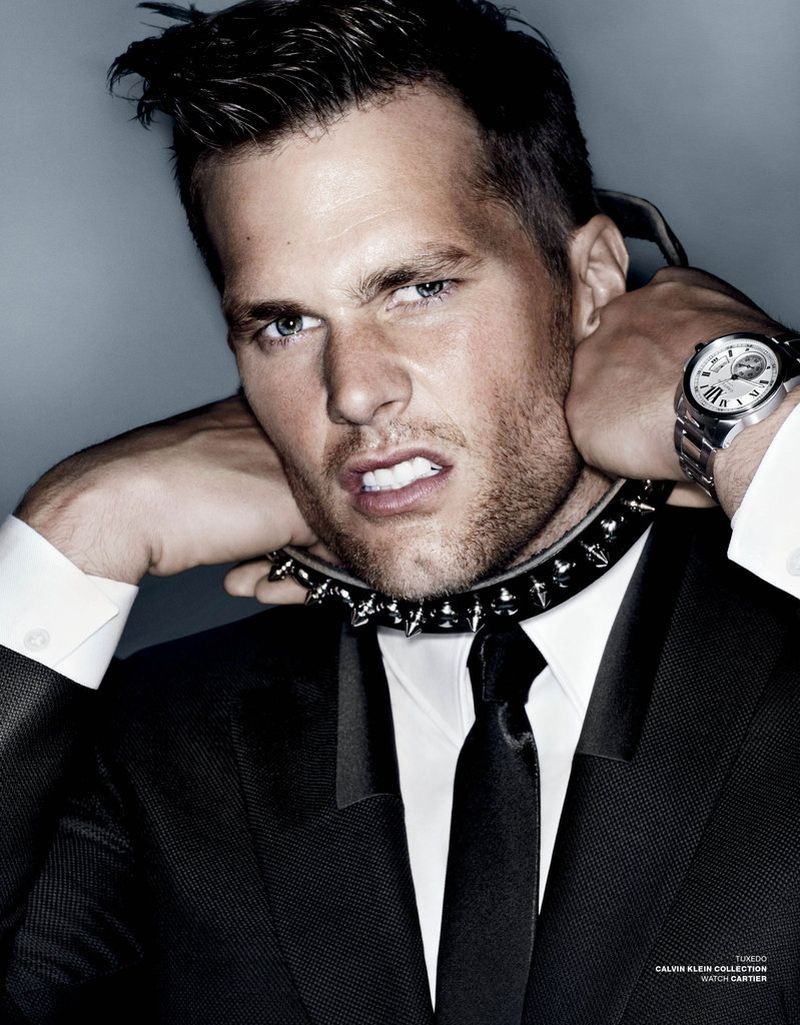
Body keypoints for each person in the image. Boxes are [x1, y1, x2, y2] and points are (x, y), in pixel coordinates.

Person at [1, 1, 798, 1022]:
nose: (353, 391)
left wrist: (752, 421)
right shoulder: (161, 745)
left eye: (418, 288)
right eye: (284, 323)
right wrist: (77, 527)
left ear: (591, 279)